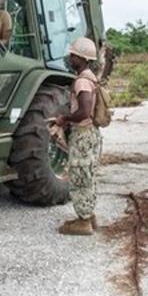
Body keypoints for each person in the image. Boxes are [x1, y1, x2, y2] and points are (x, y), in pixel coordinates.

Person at [53, 36, 102, 236]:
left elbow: (83, 111)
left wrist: (64, 119)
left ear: (81, 58)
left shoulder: (82, 81)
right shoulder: (91, 77)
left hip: (82, 134)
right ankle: (89, 216)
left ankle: (83, 222)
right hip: (91, 132)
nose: (70, 58)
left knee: (79, 175)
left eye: (73, 55)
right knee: (88, 174)